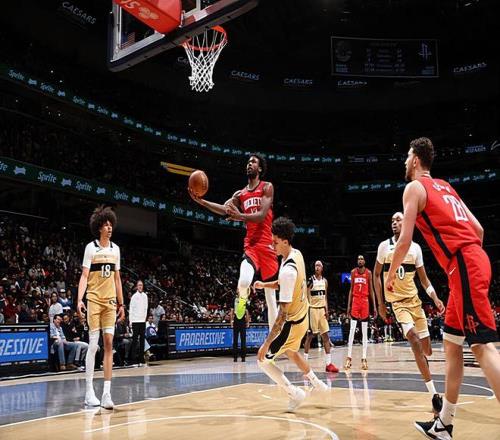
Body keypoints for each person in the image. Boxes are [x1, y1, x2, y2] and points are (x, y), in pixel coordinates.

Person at [385, 137, 500, 439]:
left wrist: (390, 274)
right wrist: (467, 259)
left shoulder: (414, 188)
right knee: (451, 345)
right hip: (469, 262)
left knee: (482, 346)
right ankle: (444, 424)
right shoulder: (446, 187)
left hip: (464, 264)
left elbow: (405, 240)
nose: (404, 161)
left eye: (407, 156)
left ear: (415, 160)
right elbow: (479, 230)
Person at [189, 154, 278, 329]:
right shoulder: (240, 194)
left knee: (271, 297)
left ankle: (273, 340)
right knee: (244, 281)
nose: (249, 164)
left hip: (268, 245)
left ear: (260, 168)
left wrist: (240, 216)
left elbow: (261, 215)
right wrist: (202, 202)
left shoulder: (267, 187)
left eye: (253, 162)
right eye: (248, 162)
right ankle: (242, 299)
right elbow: (225, 209)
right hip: (251, 245)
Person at [374, 211, 445, 414]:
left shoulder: (415, 248)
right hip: (398, 304)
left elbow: (424, 280)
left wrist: (435, 298)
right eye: (392, 220)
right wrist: (380, 303)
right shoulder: (384, 247)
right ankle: (434, 395)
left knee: (427, 351)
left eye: (398, 219)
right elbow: (376, 275)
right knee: (413, 338)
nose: (394, 223)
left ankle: (423, 361)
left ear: (406, 223)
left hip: (415, 303)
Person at [255, 217, 327, 412]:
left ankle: (294, 393)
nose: (272, 245)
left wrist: (267, 343)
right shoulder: (297, 255)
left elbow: (282, 316)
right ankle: (317, 383)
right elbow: (283, 284)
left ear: (285, 241)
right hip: (303, 317)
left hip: (292, 324)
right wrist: (264, 285)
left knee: (262, 360)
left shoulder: (287, 271)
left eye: (275, 242)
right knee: (291, 352)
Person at [77, 206, 125, 409]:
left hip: (110, 302)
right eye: (106, 225)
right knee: (93, 344)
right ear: (99, 228)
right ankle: (89, 392)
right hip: (94, 300)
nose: (109, 227)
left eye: (111, 224)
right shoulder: (91, 248)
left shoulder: (116, 249)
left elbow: (117, 278)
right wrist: (79, 300)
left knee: (108, 344)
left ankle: (106, 394)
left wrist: (122, 303)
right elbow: (84, 276)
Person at [304, 260, 339, 373]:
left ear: (322, 268)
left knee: (326, 336)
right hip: (313, 309)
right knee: (310, 336)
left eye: (319, 265)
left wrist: (327, 310)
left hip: (322, 310)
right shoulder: (311, 280)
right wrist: (307, 309)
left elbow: (325, 297)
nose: (317, 267)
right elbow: (306, 294)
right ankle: (304, 363)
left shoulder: (325, 281)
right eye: (316, 265)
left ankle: (328, 364)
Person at [345, 255, 377, 370]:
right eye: (358, 259)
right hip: (355, 301)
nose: (360, 260)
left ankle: (364, 358)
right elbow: (351, 289)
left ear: (365, 261)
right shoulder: (353, 272)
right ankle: (349, 358)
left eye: (362, 259)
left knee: (364, 332)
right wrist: (348, 306)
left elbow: (371, 290)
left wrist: (374, 307)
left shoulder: (368, 273)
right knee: (352, 330)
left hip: (365, 302)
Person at [129, 280, 148, 365]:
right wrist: (131, 321)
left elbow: (145, 308)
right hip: (135, 321)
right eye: (139, 285)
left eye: (141, 285)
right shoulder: (134, 296)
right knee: (135, 340)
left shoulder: (145, 296)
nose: (140, 286)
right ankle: (133, 358)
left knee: (142, 340)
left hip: (142, 321)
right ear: (137, 286)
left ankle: (141, 358)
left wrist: (144, 319)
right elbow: (131, 309)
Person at [230, 295, 250, 362]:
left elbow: (232, 312)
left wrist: (231, 321)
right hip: (242, 321)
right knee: (242, 340)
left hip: (236, 320)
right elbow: (247, 313)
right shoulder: (244, 300)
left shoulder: (235, 300)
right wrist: (247, 322)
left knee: (236, 340)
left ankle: (235, 358)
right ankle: (242, 358)